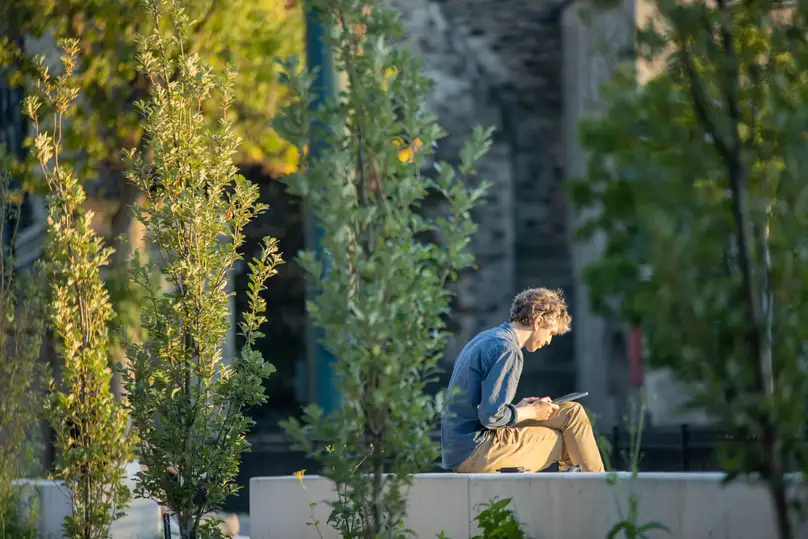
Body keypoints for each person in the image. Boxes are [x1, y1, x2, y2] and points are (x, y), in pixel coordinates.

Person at [441, 287, 605, 473]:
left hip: (461, 446)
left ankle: (589, 485)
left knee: (572, 412)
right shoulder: (508, 350)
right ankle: (601, 492)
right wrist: (532, 411)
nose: (549, 341)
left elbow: (486, 409)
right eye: (550, 332)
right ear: (538, 321)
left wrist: (520, 409)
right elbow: (492, 417)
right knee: (565, 441)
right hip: (475, 451)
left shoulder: (487, 338)